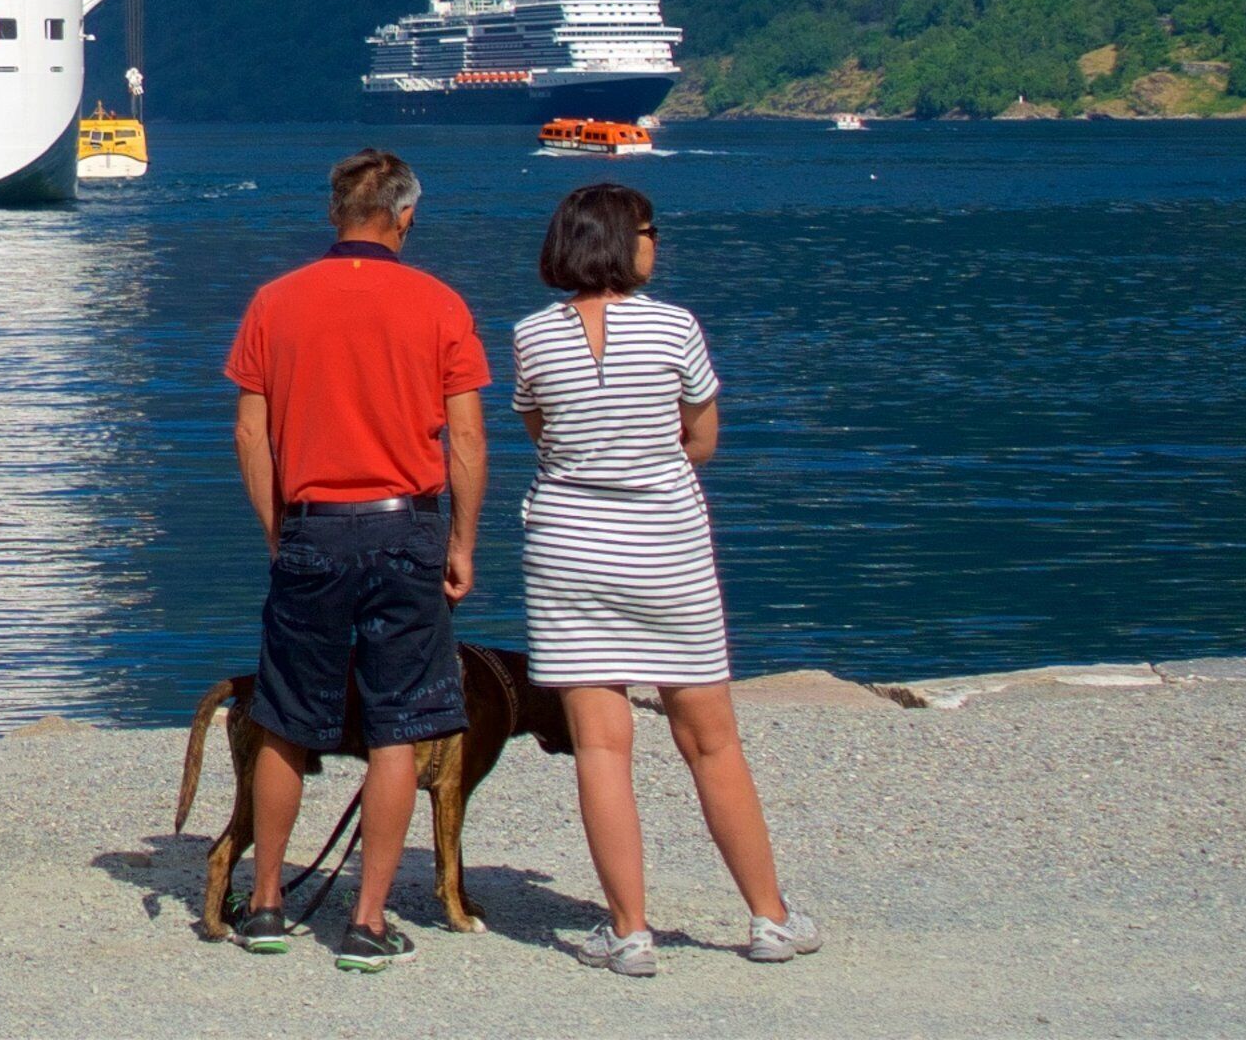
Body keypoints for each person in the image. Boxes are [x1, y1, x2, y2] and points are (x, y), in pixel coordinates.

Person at [514, 182, 817, 974]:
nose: (657, 242)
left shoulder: (530, 337)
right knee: (711, 742)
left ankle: (630, 931)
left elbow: (541, 435)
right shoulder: (677, 327)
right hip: (666, 546)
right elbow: (702, 440)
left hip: (571, 550)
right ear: (623, 241)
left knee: (601, 748)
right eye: (650, 230)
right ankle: (769, 917)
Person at [222, 148, 488, 971]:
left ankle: (266, 903)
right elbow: (468, 439)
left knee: (286, 718)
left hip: (314, 526)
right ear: (405, 216)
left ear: (334, 214)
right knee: (398, 726)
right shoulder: (440, 303)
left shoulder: (276, 301)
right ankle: (367, 923)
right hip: (405, 527)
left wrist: (279, 529)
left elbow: (249, 433)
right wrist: (462, 542)